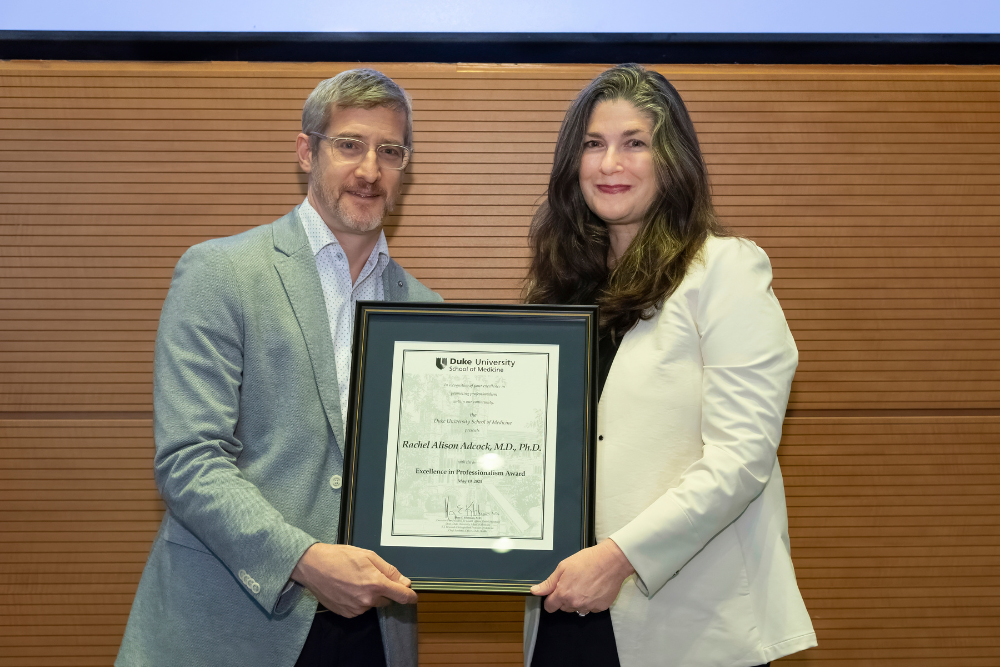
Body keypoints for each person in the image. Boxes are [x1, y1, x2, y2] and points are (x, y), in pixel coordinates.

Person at [116, 69, 441, 667]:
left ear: (405, 167)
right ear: (305, 151)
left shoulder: (429, 313)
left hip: (376, 633)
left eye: (389, 151)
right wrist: (304, 559)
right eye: (349, 144)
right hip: (233, 623)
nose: (369, 169)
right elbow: (188, 461)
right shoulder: (220, 273)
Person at [523, 64, 817, 666]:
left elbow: (740, 458)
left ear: (672, 159)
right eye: (593, 145)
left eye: (636, 143)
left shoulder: (726, 270)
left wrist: (617, 558)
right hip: (565, 607)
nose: (610, 165)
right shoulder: (561, 295)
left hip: (687, 621)